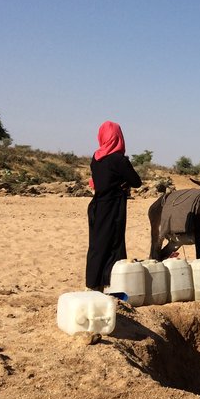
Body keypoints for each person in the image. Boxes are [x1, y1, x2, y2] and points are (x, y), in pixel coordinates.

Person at [85, 121, 142, 291]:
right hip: (113, 207)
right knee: (114, 244)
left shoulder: (95, 158)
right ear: (119, 137)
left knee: (96, 245)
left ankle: (93, 284)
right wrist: (123, 184)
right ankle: (111, 284)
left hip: (96, 205)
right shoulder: (118, 159)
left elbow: (100, 181)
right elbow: (136, 181)